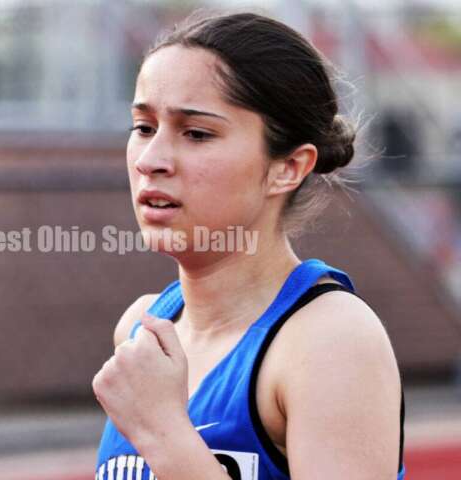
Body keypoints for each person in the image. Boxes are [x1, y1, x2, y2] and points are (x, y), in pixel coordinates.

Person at [91, 10, 405, 480]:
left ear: (288, 167)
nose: (151, 159)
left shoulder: (329, 341)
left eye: (196, 133)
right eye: (143, 127)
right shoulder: (143, 331)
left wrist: (164, 434)